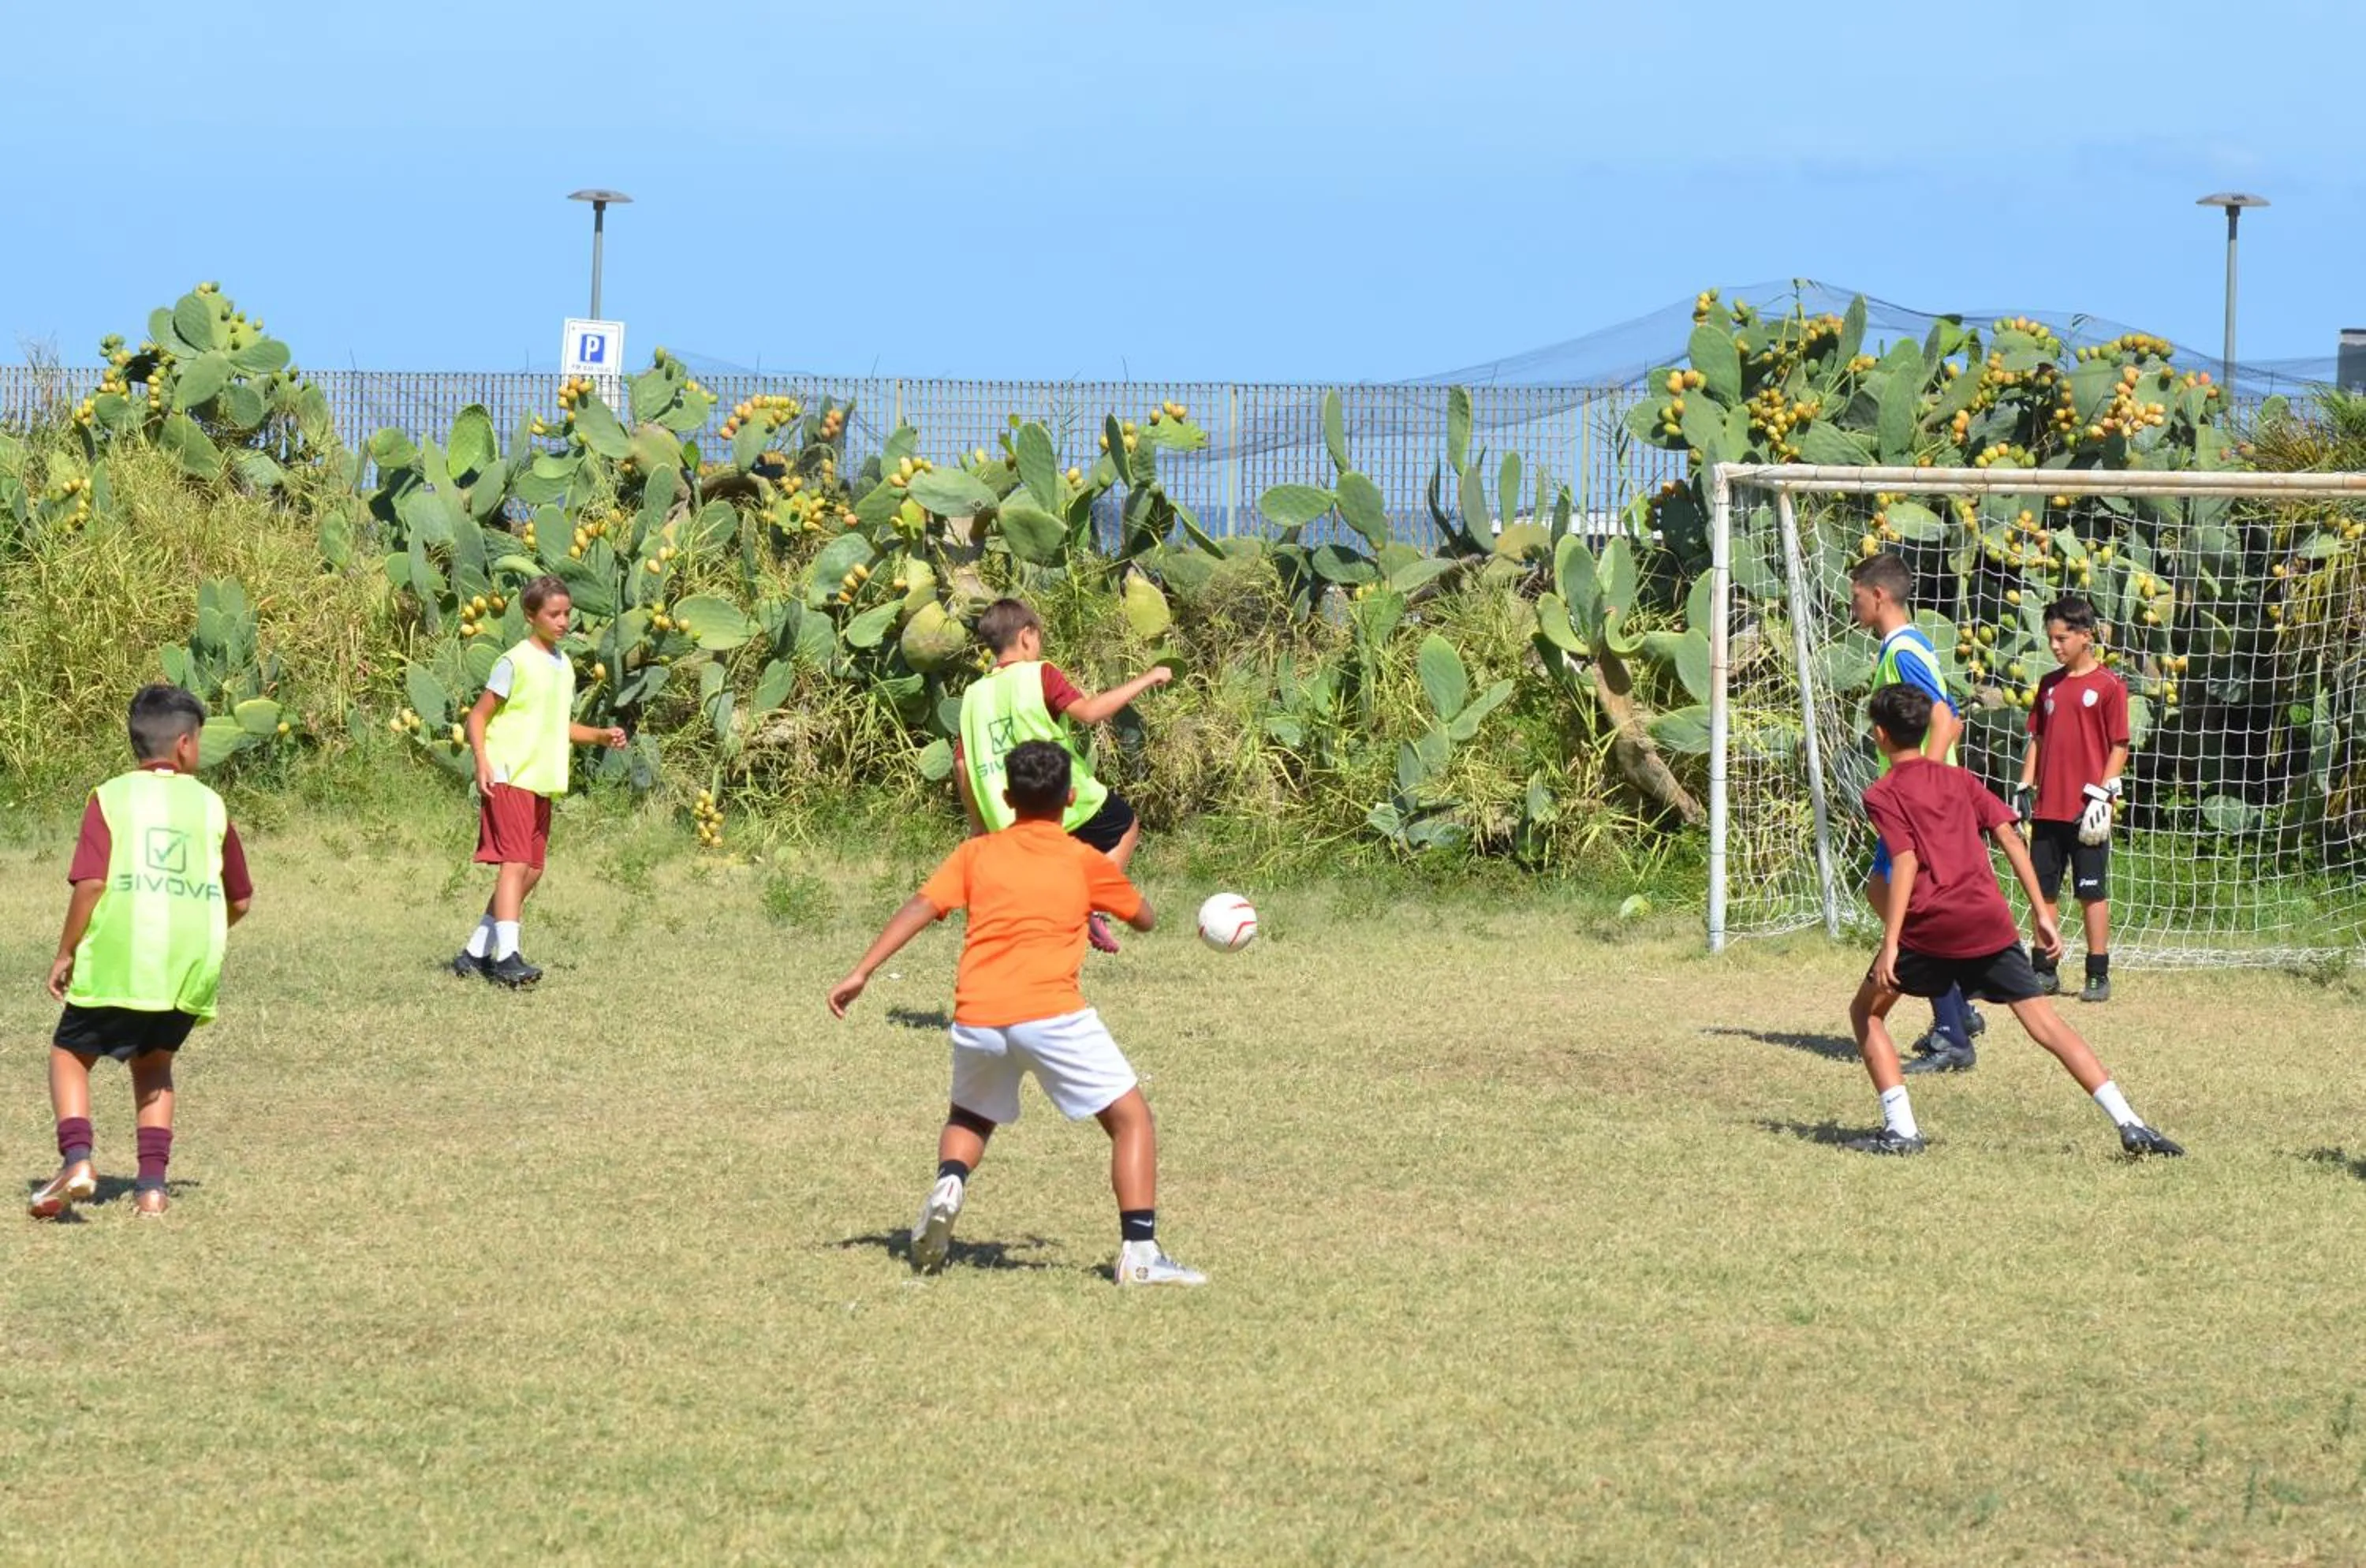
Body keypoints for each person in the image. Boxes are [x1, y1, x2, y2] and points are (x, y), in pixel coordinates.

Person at [828, 740, 1205, 1286]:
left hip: (977, 1016)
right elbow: (1144, 918)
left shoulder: (976, 854)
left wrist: (862, 971)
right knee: (1131, 1120)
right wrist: (1101, 898)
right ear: (1070, 798)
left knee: (970, 1116)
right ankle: (1141, 1255)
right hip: (1052, 1015)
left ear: (1007, 798)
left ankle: (951, 1182)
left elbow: (921, 905)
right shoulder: (1081, 860)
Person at [1842, 683, 2181, 1159]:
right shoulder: (1961, 780)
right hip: (1987, 921)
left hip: (1930, 927)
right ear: (1922, 731)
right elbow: (2011, 837)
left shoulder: (1882, 792)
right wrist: (2042, 914)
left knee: (1866, 1013)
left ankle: (1901, 1130)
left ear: (1879, 735)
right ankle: (2131, 1122)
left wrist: (1892, 941)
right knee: (2047, 1025)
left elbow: (1904, 862)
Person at [32, 685, 255, 1219]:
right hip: (187, 970)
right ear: (184, 745)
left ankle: (78, 1160)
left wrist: (66, 952)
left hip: (121, 960)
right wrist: (205, 928)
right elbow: (241, 900)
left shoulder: (110, 797)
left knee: (69, 1055)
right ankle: (152, 1190)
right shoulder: (210, 805)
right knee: (154, 1066)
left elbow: (90, 885)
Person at [953, 598, 1170, 955]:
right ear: (1026, 636)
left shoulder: (973, 695)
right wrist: (1147, 678)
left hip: (1005, 814)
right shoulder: (1039, 673)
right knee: (1126, 826)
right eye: (1038, 639)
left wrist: (978, 823)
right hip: (1066, 798)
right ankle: (1092, 903)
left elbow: (961, 766)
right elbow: (1089, 712)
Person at [450, 575, 626, 987]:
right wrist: (481, 761)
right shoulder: (513, 661)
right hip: (509, 773)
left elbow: (557, 725)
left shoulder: (563, 665)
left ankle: (475, 952)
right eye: (554, 614)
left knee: (531, 870)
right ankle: (508, 956)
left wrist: (600, 736)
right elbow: (478, 716)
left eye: (567, 613)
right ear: (531, 616)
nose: (563, 621)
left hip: (542, 779)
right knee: (514, 865)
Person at [1847, 551, 1983, 1073]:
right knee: (1885, 896)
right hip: (1917, 798)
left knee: (1907, 910)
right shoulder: (1907, 645)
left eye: (1856, 592)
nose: (1851, 601)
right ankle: (1958, 1012)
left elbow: (1946, 719)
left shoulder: (1903, 650)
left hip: (1918, 803)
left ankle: (1954, 1030)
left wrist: (1920, 786)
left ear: (1878, 595)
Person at [2015, 595, 2128, 1002]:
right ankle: (2043, 969)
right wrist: (2024, 786)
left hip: (2088, 811)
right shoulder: (2048, 685)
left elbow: (2119, 745)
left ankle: (2098, 973)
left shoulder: (2110, 686)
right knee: (2043, 890)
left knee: (2091, 891)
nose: (2055, 646)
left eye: (2062, 638)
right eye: (2051, 639)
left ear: (2085, 635)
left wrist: (2105, 792)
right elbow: (2039, 739)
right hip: (2048, 809)